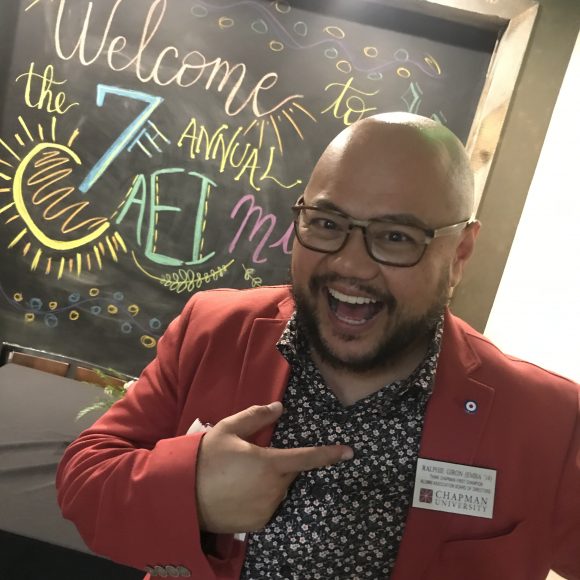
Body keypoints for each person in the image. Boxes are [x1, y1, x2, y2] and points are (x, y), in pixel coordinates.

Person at [56, 113, 580, 580]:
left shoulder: (548, 421)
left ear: (459, 253)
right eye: (327, 225)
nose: (350, 265)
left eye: (397, 237)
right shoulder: (214, 330)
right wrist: (190, 494)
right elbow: (85, 479)